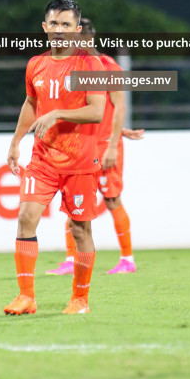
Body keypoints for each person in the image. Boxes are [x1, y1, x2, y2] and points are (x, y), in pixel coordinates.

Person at [4, 0, 106, 316]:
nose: (60, 30)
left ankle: (80, 299)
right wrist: (16, 141)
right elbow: (31, 104)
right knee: (25, 218)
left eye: (66, 24)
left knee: (80, 229)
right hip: (43, 159)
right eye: (54, 24)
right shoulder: (35, 64)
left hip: (79, 162)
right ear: (45, 27)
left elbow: (96, 112)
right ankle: (26, 297)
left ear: (77, 30)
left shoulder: (91, 64)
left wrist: (58, 114)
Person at [47, 18, 145, 277]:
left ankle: (127, 258)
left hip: (104, 147)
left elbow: (120, 106)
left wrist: (113, 144)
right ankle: (71, 258)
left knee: (112, 199)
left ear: (88, 39)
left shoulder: (108, 66)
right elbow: (93, 110)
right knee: (72, 200)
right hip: (83, 145)